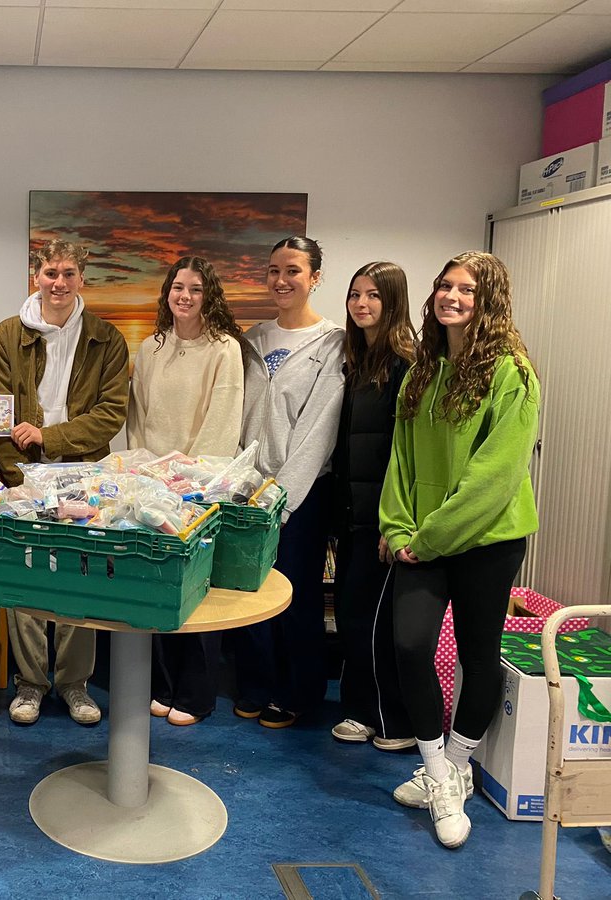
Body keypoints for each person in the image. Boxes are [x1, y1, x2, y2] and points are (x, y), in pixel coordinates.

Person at [380, 251, 539, 849]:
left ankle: (458, 762)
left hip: (487, 541)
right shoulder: (424, 369)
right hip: (421, 542)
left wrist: (428, 538)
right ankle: (440, 772)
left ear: (488, 299)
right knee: (410, 644)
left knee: (479, 653)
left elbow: (494, 477)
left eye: (466, 289)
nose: (451, 296)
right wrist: (398, 530)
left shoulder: (512, 372)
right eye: (445, 285)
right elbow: (402, 458)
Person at [0, 239, 129, 726]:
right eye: (50, 272)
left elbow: (110, 415)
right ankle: (30, 682)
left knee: (78, 573)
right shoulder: (6, 335)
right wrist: (15, 476)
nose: (59, 282)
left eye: (68, 273)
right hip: (23, 476)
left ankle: (73, 683)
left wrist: (50, 435)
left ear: (81, 278)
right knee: (25, 576)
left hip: (84, 475)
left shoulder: (106, 338)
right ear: (36, 275)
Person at [233, 236, 345, 729]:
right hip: (247, 490)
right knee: (251, 591)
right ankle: (256, 683)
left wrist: (283, 497)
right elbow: (238, 417)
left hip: (300, 494)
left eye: (294, 271)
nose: (282, 280)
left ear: (314, 277)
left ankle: (298, 692)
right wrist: (240, 484)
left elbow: (319, 430)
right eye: (274, 269)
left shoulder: (334, 343)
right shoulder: (252, 339)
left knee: (296, 596)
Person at [127, 256, 244, 727]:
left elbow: (222, 422)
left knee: (196, 588)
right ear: (167, 292)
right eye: (178, 287)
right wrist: (145, 473)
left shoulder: (225, 350)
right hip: (151, 486)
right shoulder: (151, 347)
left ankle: (196, 694)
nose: (185, 296)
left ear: (208, 295)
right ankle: (162, 684)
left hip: (197, 488)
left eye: (196, 289)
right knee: (158, 587)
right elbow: (138, 419)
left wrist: (190, 478)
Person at [330, 262, 416, 751]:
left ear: (393, 302)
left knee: (379, 622)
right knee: (352, 614)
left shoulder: (406, 363)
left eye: (373, 296)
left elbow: (405, 454)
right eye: (355, 294)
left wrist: (394, 522)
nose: (361, 304)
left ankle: (394, 721)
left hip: (383, 520)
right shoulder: (357, 359)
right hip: (353, 516)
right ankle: (360, 711)